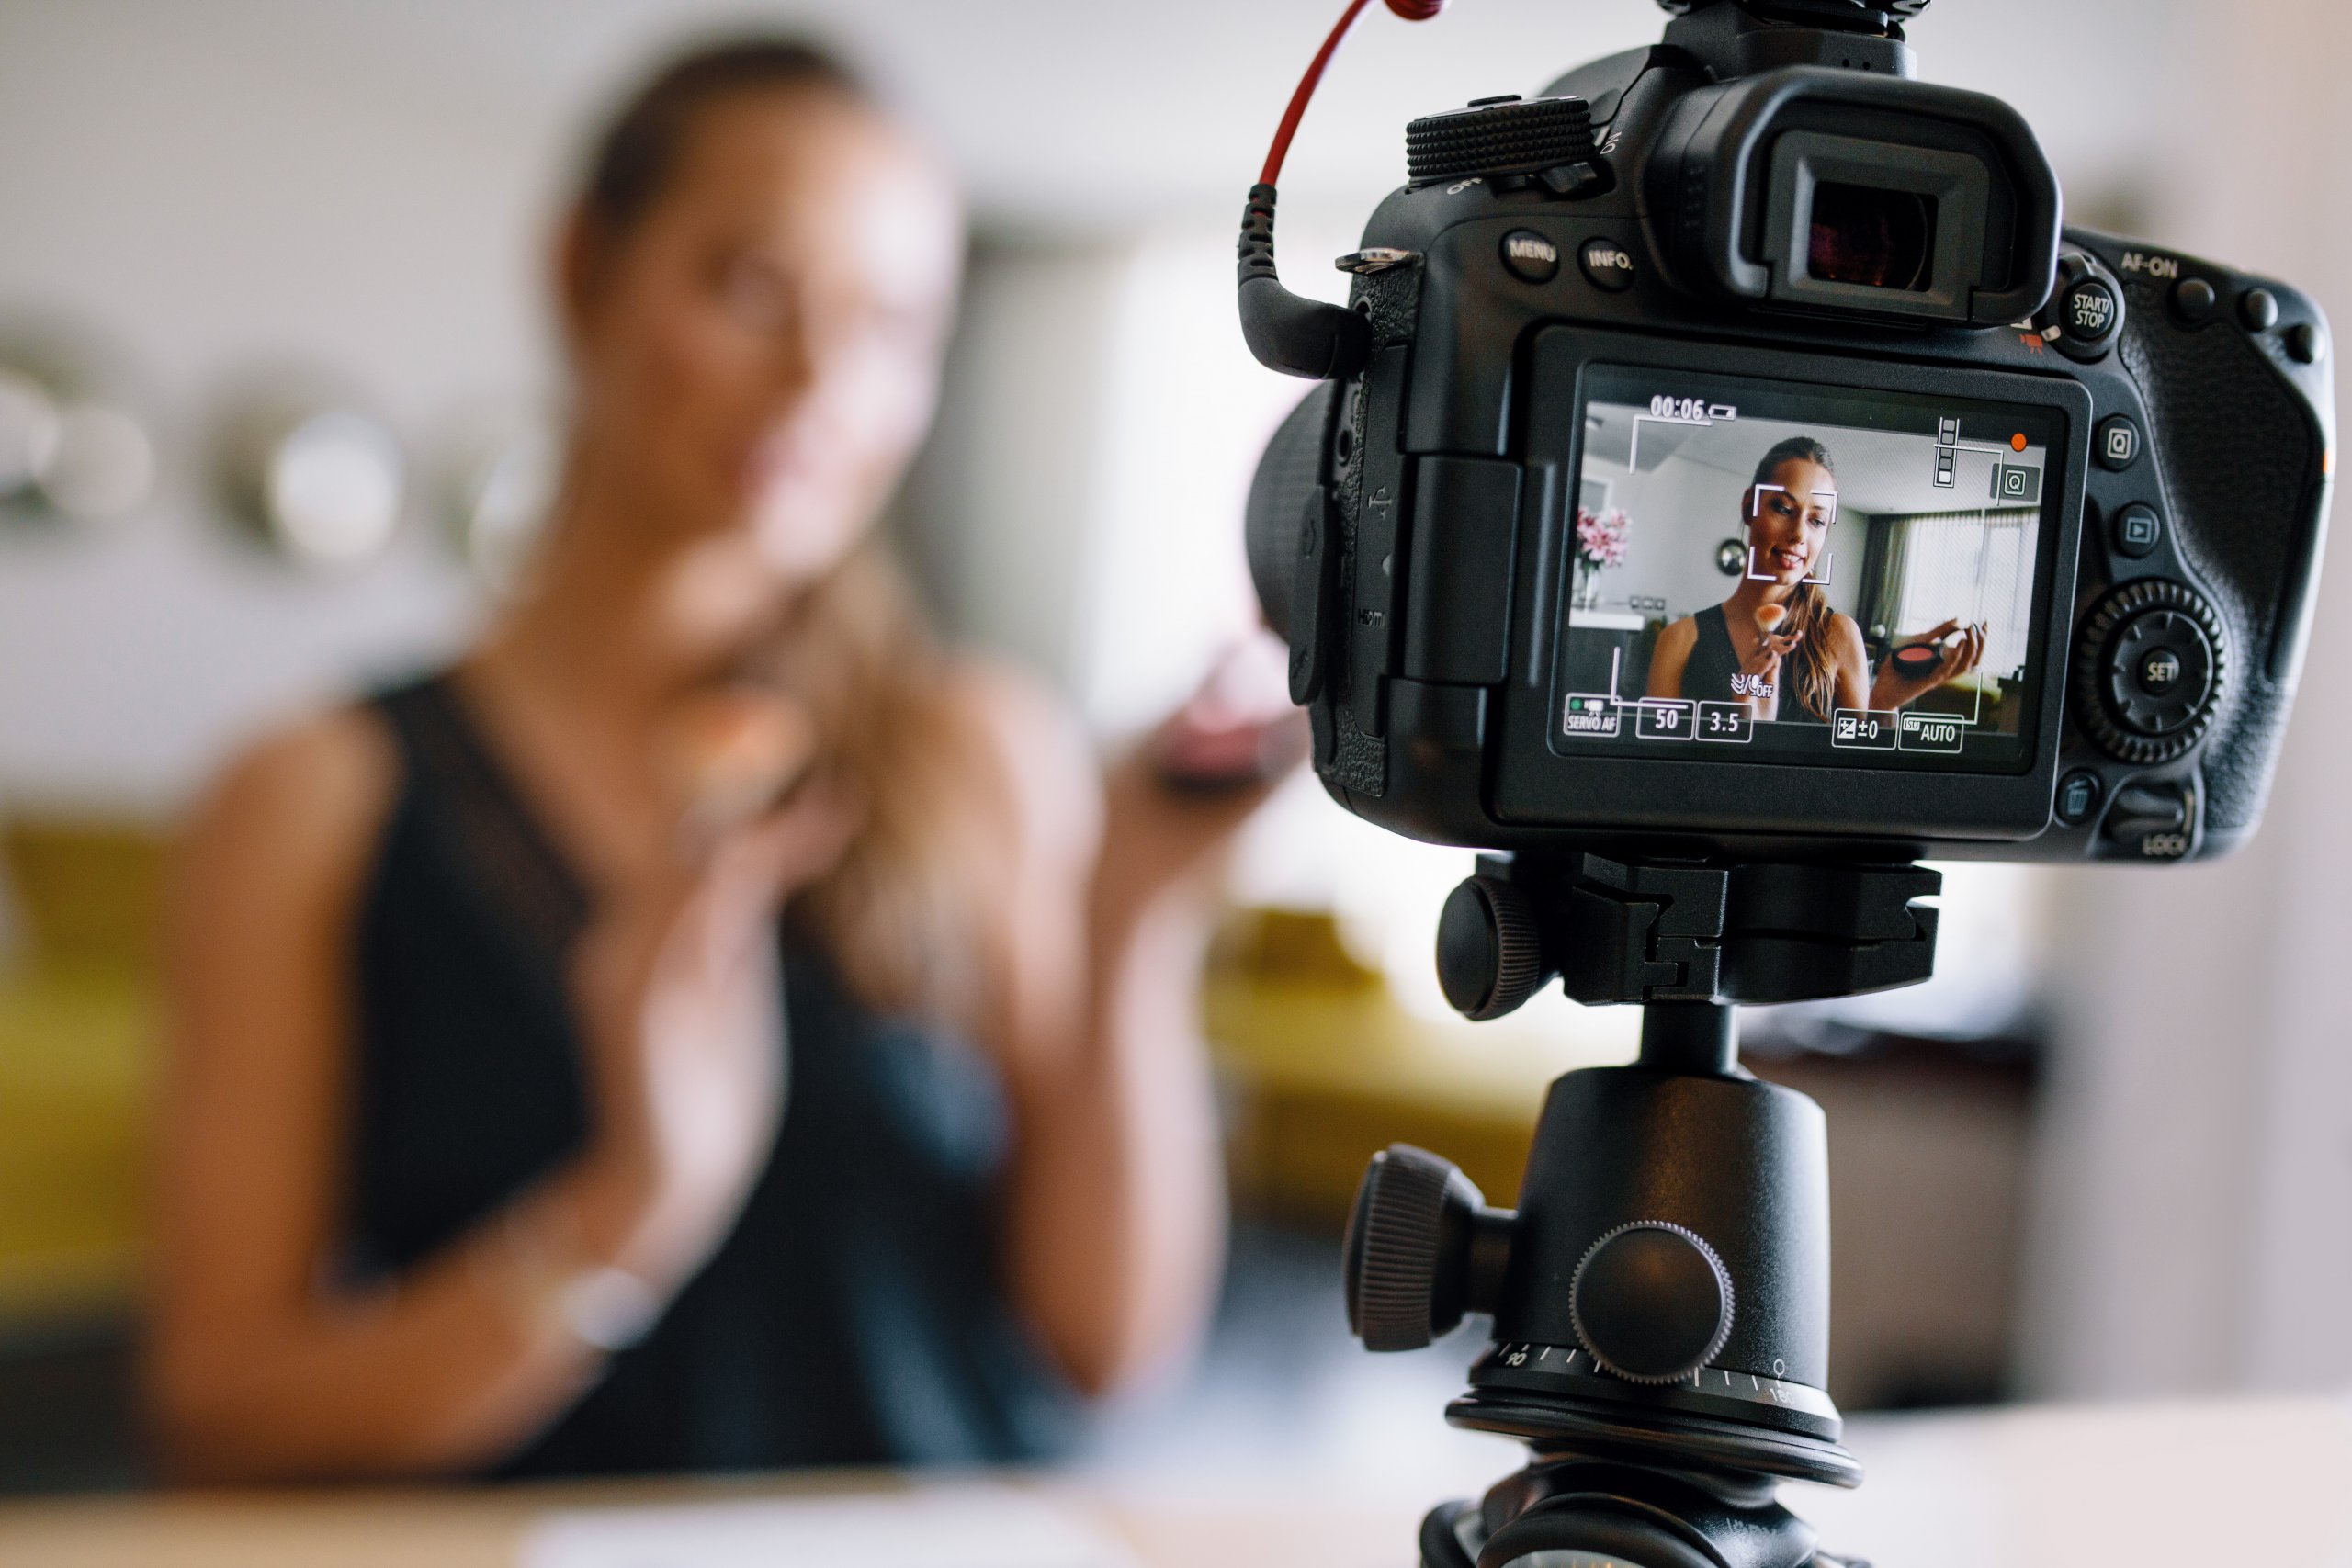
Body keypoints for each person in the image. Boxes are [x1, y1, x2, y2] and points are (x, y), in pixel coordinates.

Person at [147, 39, 1298, 1483]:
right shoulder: (311, 793)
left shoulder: (979, 750)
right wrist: (633, 1204)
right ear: (583, 270)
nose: (823, 376)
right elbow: (226, 1410)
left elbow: (1106, 1348)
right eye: (754, 286)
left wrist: (1137, 911)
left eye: (893, 324)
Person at [1646, 434, 1985, 724]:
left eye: (1817, 521)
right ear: (1750, 506)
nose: (1798, 535)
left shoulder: (1838, 635)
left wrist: (1881, 703)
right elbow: (1659, 782)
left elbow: (1859, 781)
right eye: (1782, 508)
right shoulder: (1679, 641)